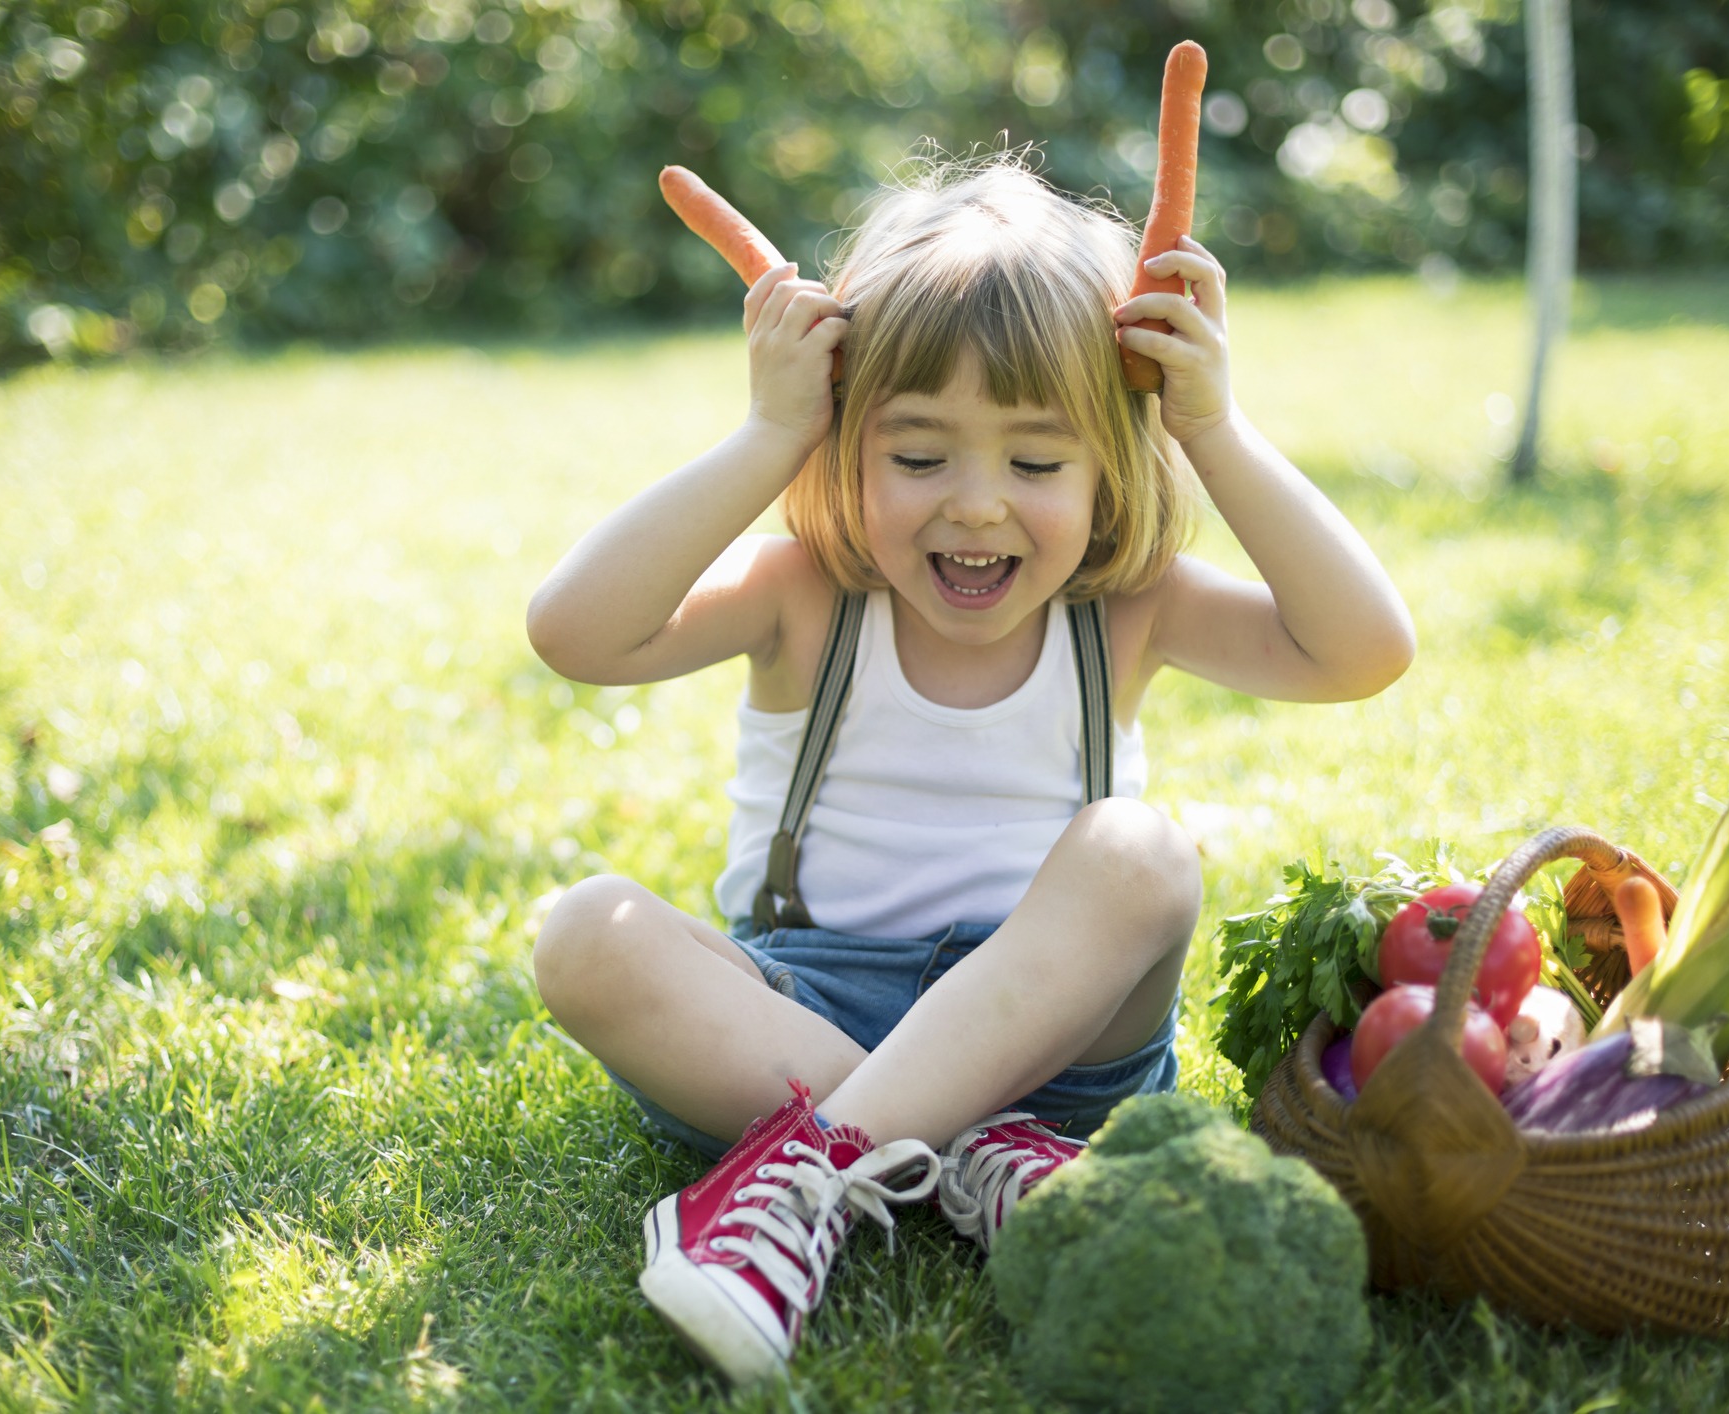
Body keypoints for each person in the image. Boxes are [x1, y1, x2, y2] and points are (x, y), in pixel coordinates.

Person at [525, 155, 1414, 1385]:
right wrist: (769, 431)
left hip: (1058, 1045)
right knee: (585, 932)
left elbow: (1363, 651)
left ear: (1113, 462)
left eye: (1038, 465)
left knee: (1137, 849)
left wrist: (1212, 422)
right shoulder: (805, 596)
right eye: (921, 455)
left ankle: (812, 1168)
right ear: (846, 440)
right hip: (802, 1017)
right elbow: (577, 632)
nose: (979, 506)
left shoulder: (1126, 610)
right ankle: (963, 1151)